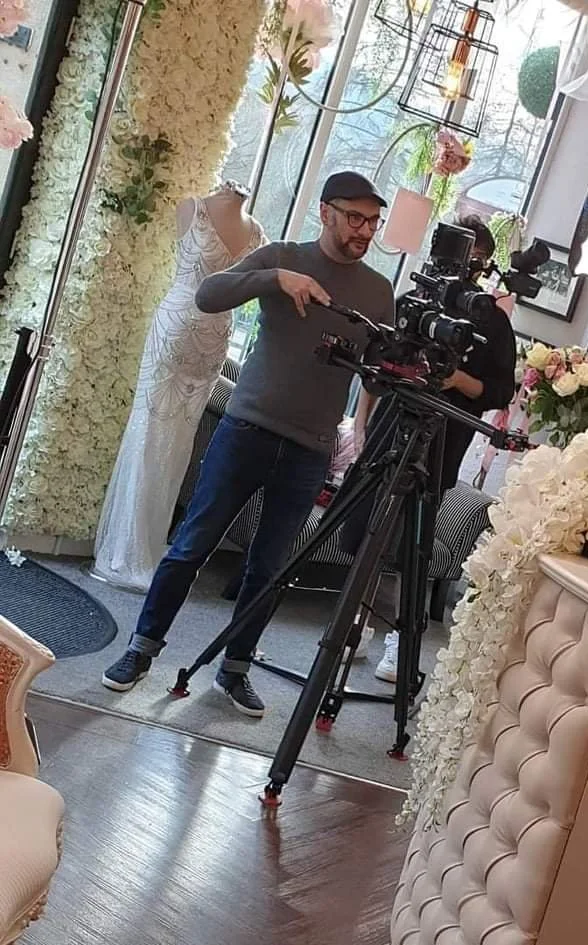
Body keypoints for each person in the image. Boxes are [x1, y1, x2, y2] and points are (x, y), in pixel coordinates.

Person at [101, 172, 395, 717]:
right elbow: (209, 294)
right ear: (327, 212)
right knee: (192, 545)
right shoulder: (283, 255)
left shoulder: (379, 292)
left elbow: (377, 377)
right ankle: (142, 650)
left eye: (373, 221)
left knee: (272, 567)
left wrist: (387, 382)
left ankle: (234, 671)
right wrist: (274, 278)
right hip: (247, 431)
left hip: (310, 449)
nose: (364, 230)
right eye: (355, 217)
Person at [352, 214, 518, 681]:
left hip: (441, 442)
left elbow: (499, 392)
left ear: (483, 266)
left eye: (473, 262)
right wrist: (360, 425)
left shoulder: (492, 323)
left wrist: (454, 378)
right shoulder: (416, 301)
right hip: (388, 431)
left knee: (413, 545)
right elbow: (377, 364)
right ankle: (354, 625)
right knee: (366, 531)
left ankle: (398, 642)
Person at [92, 180, 267, 592]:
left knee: (179, 446)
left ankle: (149, 552)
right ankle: (124, 551)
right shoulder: (192, 207)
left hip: (211, 348)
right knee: (149, 433)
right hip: (174, 333)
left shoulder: (257, 232)